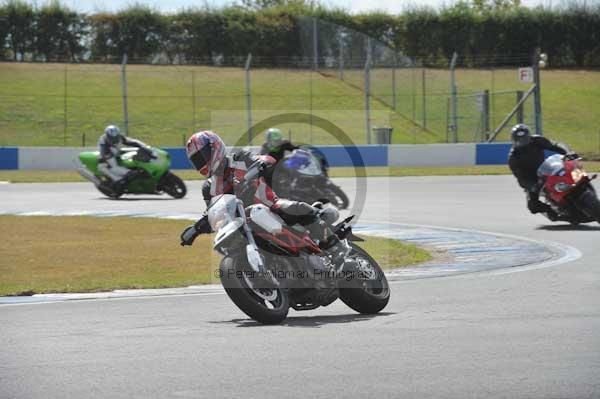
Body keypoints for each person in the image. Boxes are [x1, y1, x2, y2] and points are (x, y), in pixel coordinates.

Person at [179, 131, 343, 259]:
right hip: (242, 223)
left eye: (203, 156)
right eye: (197, 160)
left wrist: (260, 164)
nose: (202, 162)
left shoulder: (239, 158)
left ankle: (335, 247)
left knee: (296, 209)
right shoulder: (209, 188)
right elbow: (212, 214)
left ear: (215, 147)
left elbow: (264, 159)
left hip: (270, 206)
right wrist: (195, 229)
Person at [508, 124, 573, 217]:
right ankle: (553, 211)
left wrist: (568, 153)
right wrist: (532, 186)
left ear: (529, 136)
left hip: (548, 168)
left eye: (524, 139)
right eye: (519, 140)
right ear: (514, 140)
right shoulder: (513, 158)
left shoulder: (537, 140)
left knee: (572, 173)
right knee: (532, 206)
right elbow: (520, 178)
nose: (522, 142)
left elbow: (555, 145)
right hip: (533, 179)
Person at [97, 125, 151, 191]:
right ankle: (118, 178)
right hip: (106, 153)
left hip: (116, 151)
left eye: (116, 137)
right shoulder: (103, 142)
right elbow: (104, 154)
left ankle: (133, 170)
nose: (114, 139)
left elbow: (132, 142)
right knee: (103, 166)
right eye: (112, 138)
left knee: (131, 154)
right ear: (107, 136)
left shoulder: (120, 137)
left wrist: (144, 146)